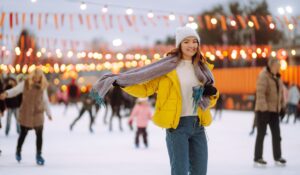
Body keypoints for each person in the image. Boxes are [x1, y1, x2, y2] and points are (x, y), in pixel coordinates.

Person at [91, 26, 219, 175]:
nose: (192, 45)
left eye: (194, 41)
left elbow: (210, 101)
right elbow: (145, 89)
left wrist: (212, 94)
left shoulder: (203, 68)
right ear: (179, 45)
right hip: (176, 127)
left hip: (198, 126)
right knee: (180, 171)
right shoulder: (166, 68)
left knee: (200, 172)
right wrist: (122, 83)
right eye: (186, 42)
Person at [0, 68, 52, 165]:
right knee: (23, 134)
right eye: (35, 77)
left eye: (39, 78)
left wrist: (49, 113)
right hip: (26, 113)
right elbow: (15, 91)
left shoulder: (42, 87)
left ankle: (38, 155)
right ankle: (18, 151)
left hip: (38, 113)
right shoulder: (25, 84)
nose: (37, 79)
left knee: (39, 135)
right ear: (32, 76)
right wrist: (6, 93)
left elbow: (45, 101)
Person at [254, 58, 286, 166]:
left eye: (279, 67)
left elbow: (280, 94)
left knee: (277, 135)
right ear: (271, 66)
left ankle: (278, 156)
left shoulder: (277, 77)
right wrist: (264, 109)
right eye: (276, 66)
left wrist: (282, 107)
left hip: (274, 111)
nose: (278, 68)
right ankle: (258, 157)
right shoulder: (263, 76)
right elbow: (260, 93)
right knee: (261, 134)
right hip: (263, 110)